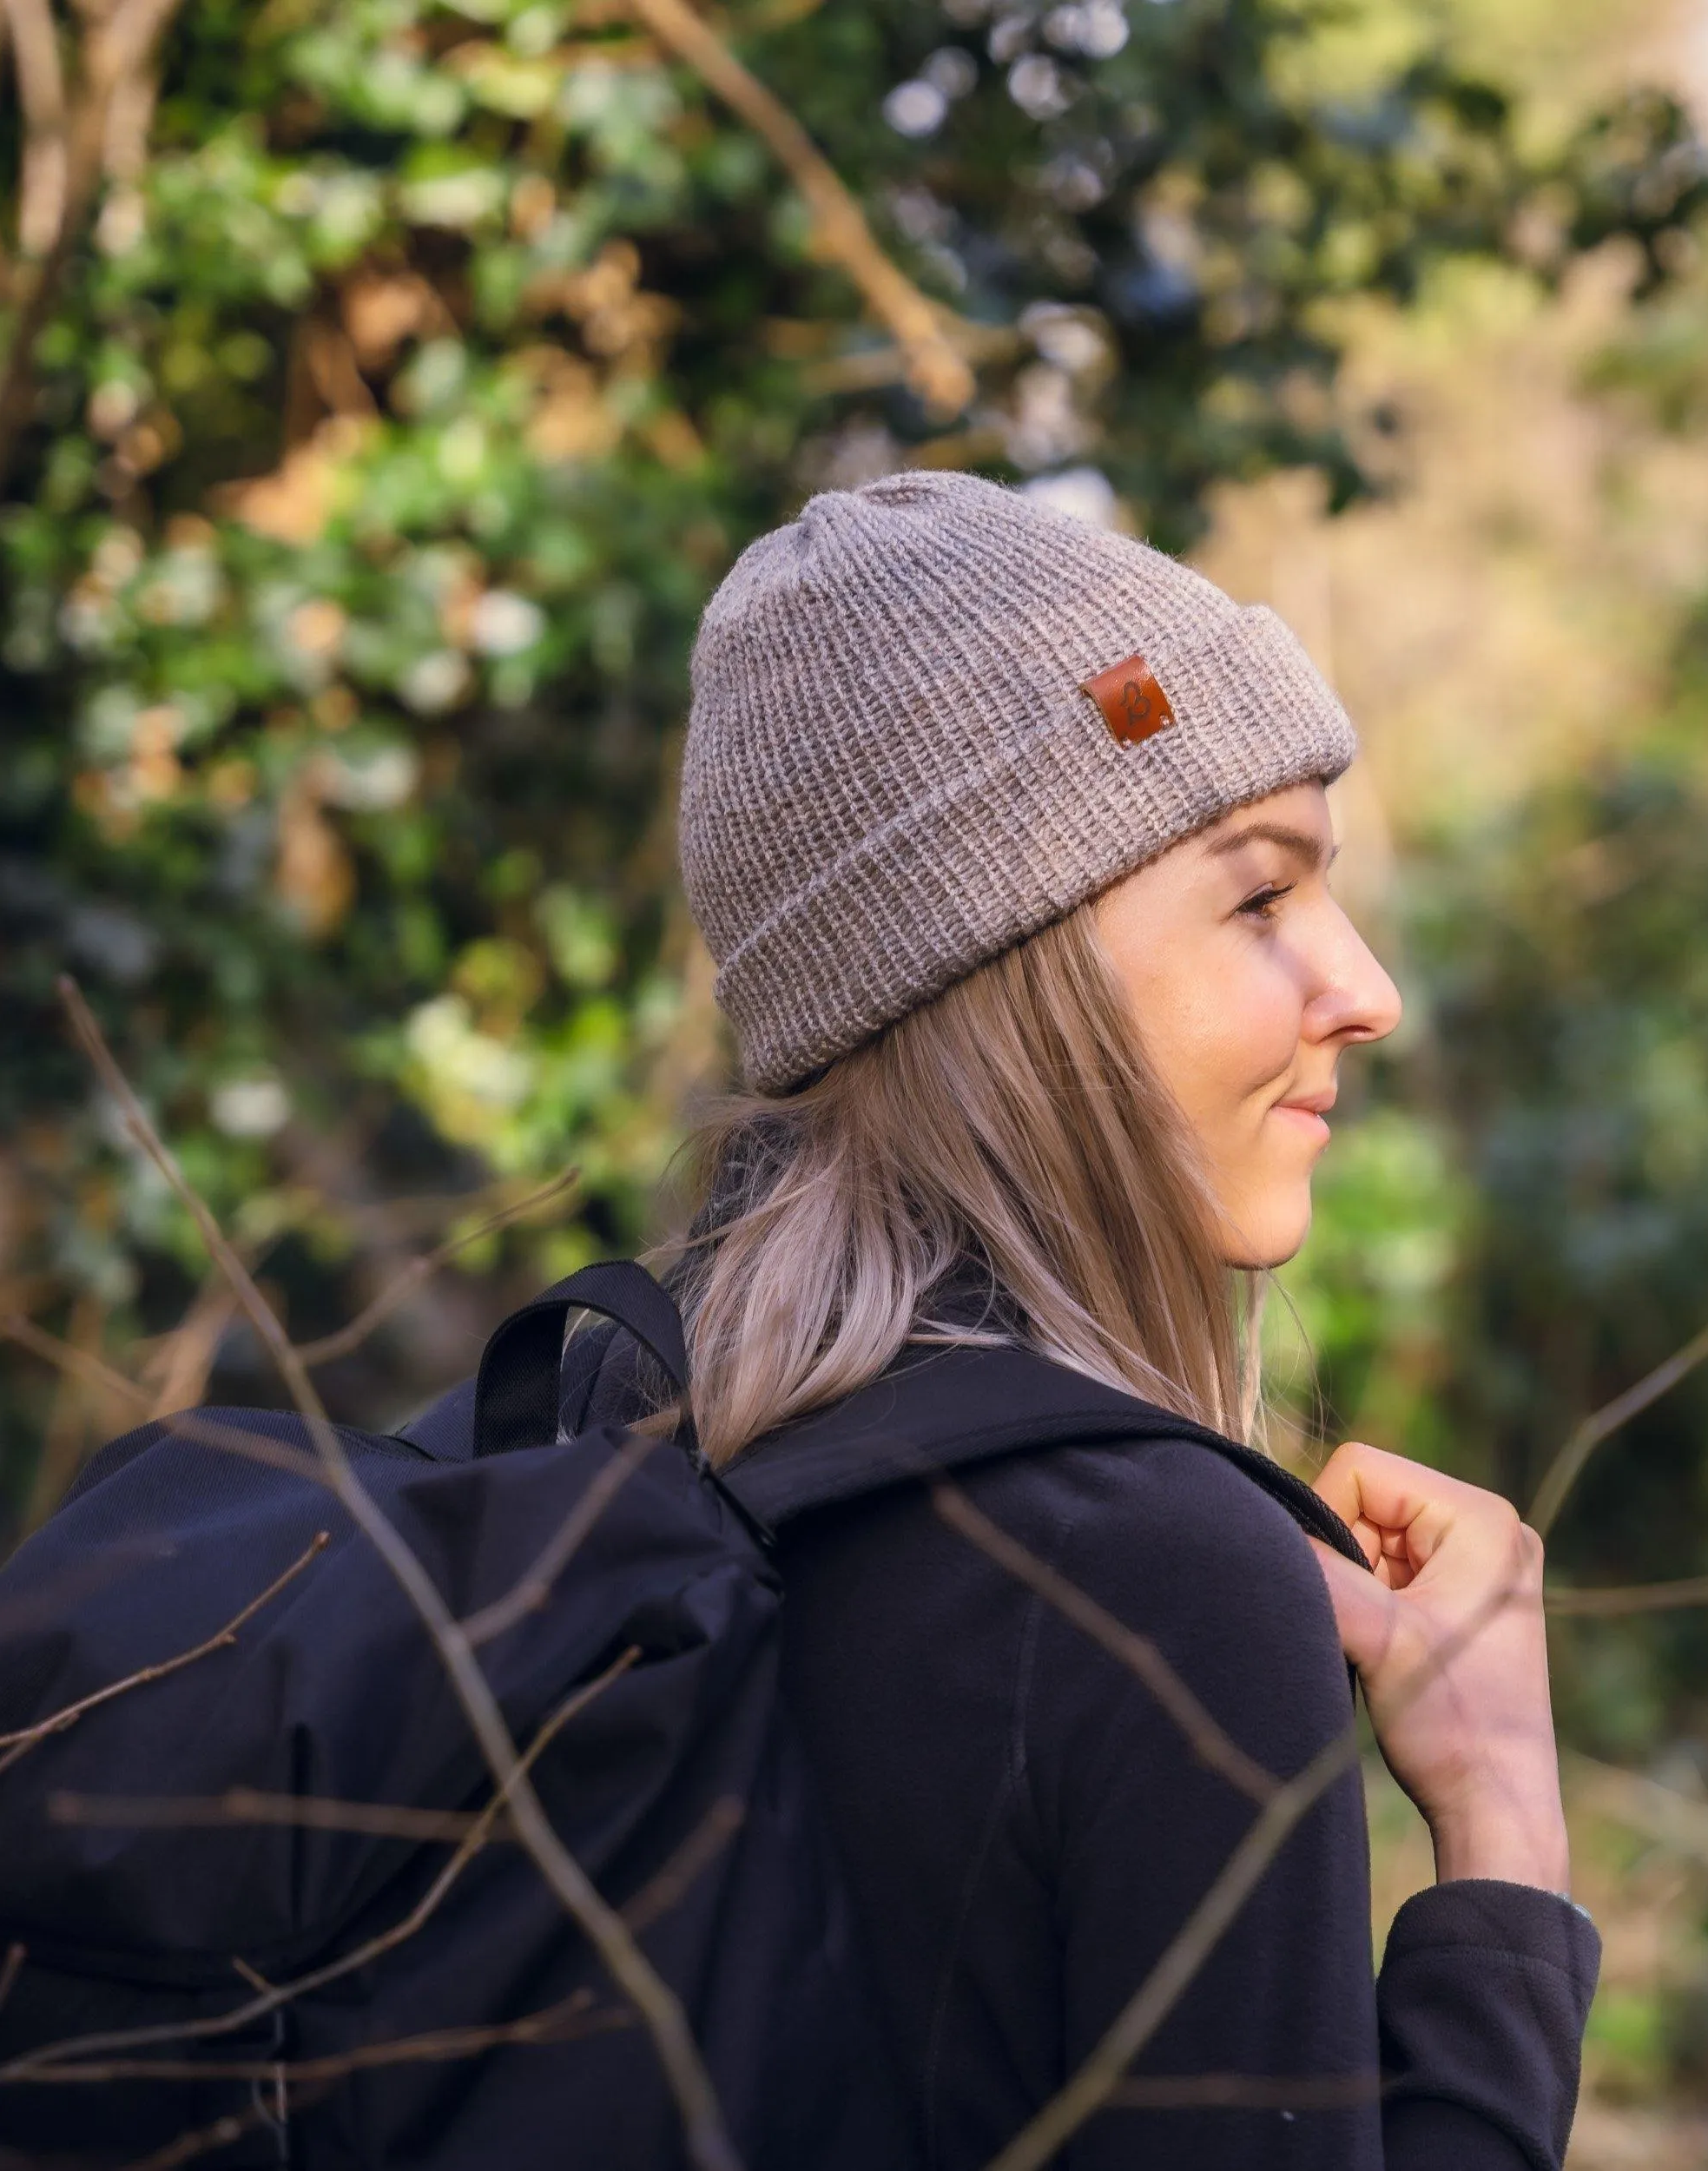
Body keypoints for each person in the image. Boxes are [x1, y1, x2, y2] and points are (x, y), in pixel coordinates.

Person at [659, 469, 1595, 2168]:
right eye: (1258, 896)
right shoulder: (1156, 1580)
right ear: (1010, 973)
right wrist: (1501, 1821)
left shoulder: (639, 1446)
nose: (1362, 985)